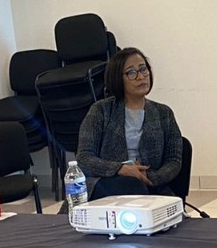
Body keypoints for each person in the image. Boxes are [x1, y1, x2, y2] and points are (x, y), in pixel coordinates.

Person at [77, 48, 183, 199]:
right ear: (117, 79)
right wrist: (120, 169)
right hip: (107, 184)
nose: (140, 77)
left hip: (150, 185)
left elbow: (174, 161)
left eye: (143, 69)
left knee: (137, 186)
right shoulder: (101, 110)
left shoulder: (164, 113)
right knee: (131, 184)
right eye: (131, 72)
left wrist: (149, 177)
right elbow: (84, 158)